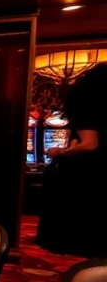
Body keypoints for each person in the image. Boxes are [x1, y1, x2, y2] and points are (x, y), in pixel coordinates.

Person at [37, 63, 107, 257]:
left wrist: (59, 152)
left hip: (87, 176)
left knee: (80, 232)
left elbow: (90, 144)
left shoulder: (87, 107)